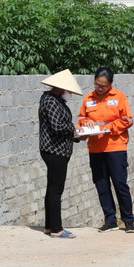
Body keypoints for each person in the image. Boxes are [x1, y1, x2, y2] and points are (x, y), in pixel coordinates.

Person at [78, 67, 134, 233]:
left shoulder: (119, 97)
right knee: (101, 184)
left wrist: (109, 127)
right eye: (97, 85)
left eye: (103, 86)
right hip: (95, 148)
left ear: (110, 84)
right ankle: (110, 220)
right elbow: (82, 117)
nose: (100, 88)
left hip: (115, 146)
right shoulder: (89, 98)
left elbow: (128, 119)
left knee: (120, 183)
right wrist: (86, 122)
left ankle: (128, 220)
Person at [38, 69, 84, 239]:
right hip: (54, 150)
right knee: (56, 190)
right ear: (61, 88)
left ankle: (49, 226)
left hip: (57, 149)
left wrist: (76, 136)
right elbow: (57, 127)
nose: (70, 93)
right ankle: (57, 229)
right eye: (69, 90)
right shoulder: (50, 101)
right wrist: (74, 128)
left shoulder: (54, 100)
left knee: (52, 188)